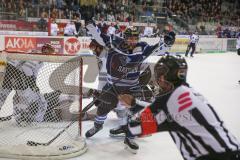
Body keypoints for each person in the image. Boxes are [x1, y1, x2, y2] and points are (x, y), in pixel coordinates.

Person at [118, 55, 240, 159]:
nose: (158, 80)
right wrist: (136, 103)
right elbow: (171, 113)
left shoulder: (168, 101)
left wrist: (132, 108)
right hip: (233, 151)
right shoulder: (190, 92)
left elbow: (135, 127)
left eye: (159, 75)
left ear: (162, 77)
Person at [85, 23, 176, 151]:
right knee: (103, 108)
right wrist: (91, 27)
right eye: (129, 38)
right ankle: (98, 126)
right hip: (112, 85)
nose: (132, 41)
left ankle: (129, 136)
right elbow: (100, 37)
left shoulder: (143, 47)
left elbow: (160, 49)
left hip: (131, 88)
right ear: (124, 37)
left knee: (131, 113)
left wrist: (167, 43)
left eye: (135, 38)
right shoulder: (115, 42)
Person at [0, 44, 55, 125]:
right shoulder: (39, 56)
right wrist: (32, 82)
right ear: (46, 51)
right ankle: (22, 116)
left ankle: (21, 115)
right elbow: (26, 68)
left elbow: (31, 70)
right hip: (15, 71)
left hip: (6, 68)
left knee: (3, 93)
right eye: (50, 52)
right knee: (23, 94)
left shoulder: (36, 53)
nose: (50, 54)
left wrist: (33, 81)